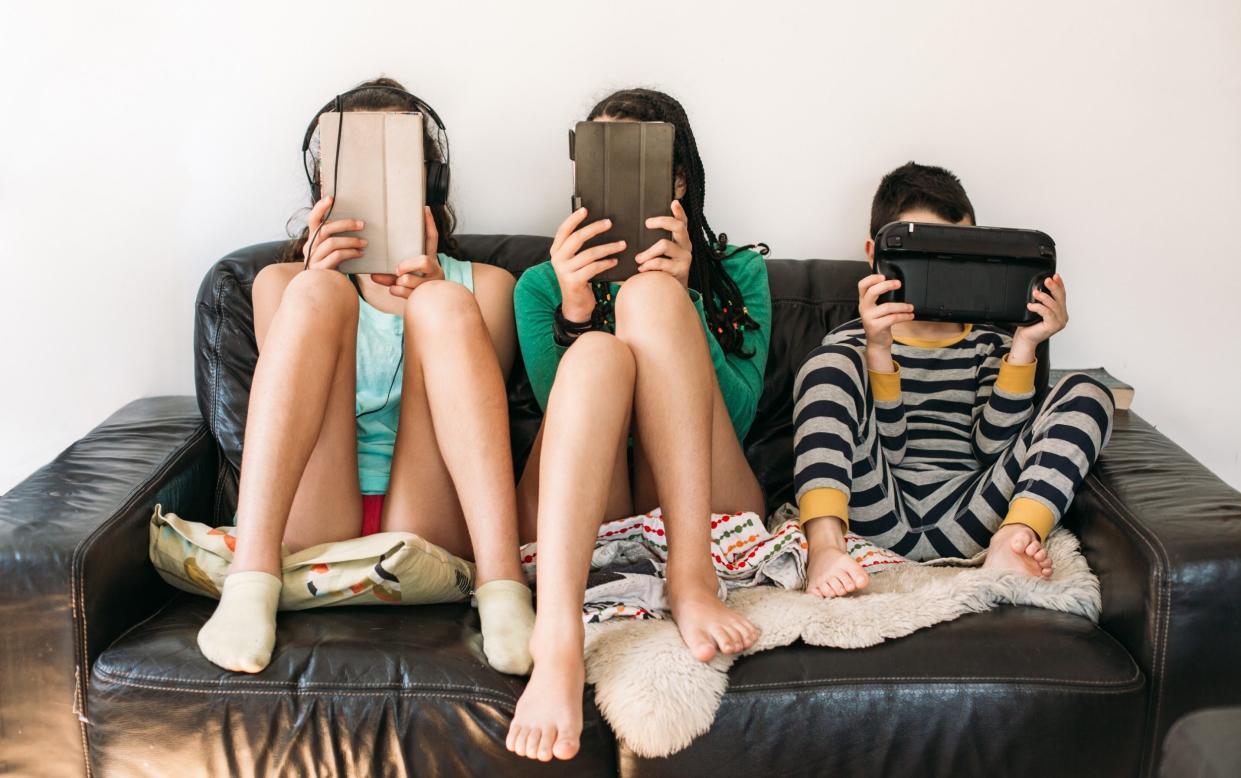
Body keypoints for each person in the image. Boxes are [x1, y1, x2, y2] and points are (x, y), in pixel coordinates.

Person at [195, 77, 534, 675]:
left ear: (428, 180)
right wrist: (314, 285)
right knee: (315, 293)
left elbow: (472, 418)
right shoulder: (277, 283)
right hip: (314, 520)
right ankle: (250, 582)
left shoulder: (490, 287)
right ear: (326, 185)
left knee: (445, 306)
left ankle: (502, 589)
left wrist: (428, 296)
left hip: (428, 521)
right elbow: (290, 410)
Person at [504, 88, 772, 762]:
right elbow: (561, 413)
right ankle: (558, 638)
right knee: (595, 352)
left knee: (651, 296)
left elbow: (733, 418)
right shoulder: (538, 284)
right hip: (592, 503)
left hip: (695, 494)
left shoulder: (739, 273)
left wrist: (682, 300)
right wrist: (574, 311)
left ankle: (691, 577)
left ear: (676, 179)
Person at [794, 161, 1115, 598]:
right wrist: (878, 351)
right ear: (876, 255)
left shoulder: (990, 343)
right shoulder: (852, 343)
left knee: (1088, 390)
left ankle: (1015, 538)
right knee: (827, 363)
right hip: (875, 513)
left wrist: (1024, 347)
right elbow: (893, 447)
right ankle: (826, 547)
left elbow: (992, 448)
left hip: (976, 516)